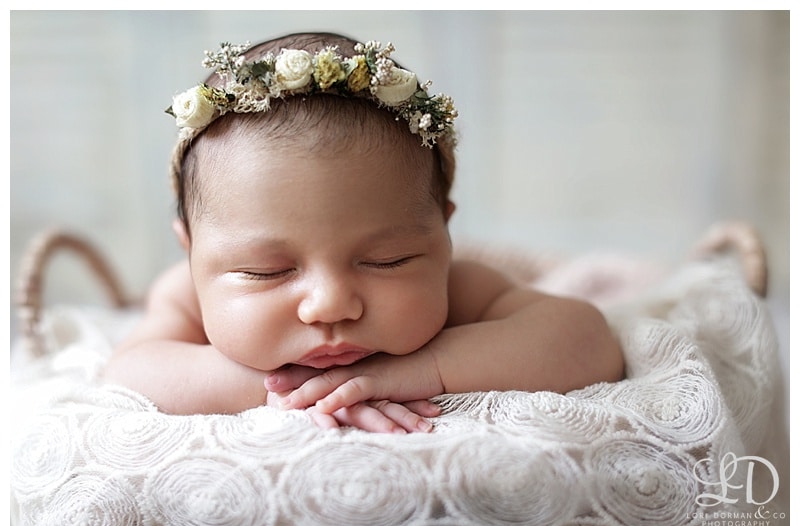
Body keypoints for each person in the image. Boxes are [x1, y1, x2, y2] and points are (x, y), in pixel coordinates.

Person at [102, 32, 624, 434]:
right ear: (191, 251)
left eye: (387, 260)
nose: (330, 305)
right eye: (266, 271)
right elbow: (131, 373)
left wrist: (427, 369)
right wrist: (290, 387)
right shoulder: (186, 296)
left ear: (443, 235)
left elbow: (585, 339)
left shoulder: (460, 287)